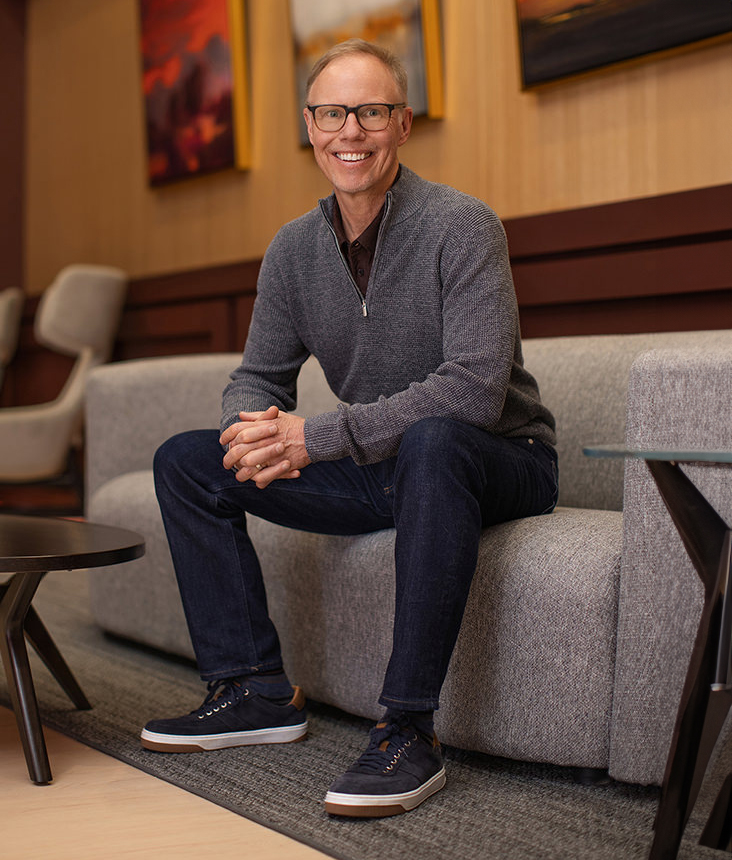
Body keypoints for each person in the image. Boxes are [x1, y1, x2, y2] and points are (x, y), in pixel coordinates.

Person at [141, 38, 558, 818]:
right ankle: (253, 690)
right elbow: (257, 375)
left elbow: (471, 393)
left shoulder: (464, 226)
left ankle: (408, 731)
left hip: (499, 456)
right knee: (186, 461)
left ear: (402, 125)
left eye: (371, 112)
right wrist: (249, 428)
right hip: (385, 466)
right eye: (333, 113)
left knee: (434, 441)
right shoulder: (293, 250)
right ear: (310, 126)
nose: (350, 132)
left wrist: (313, 438)